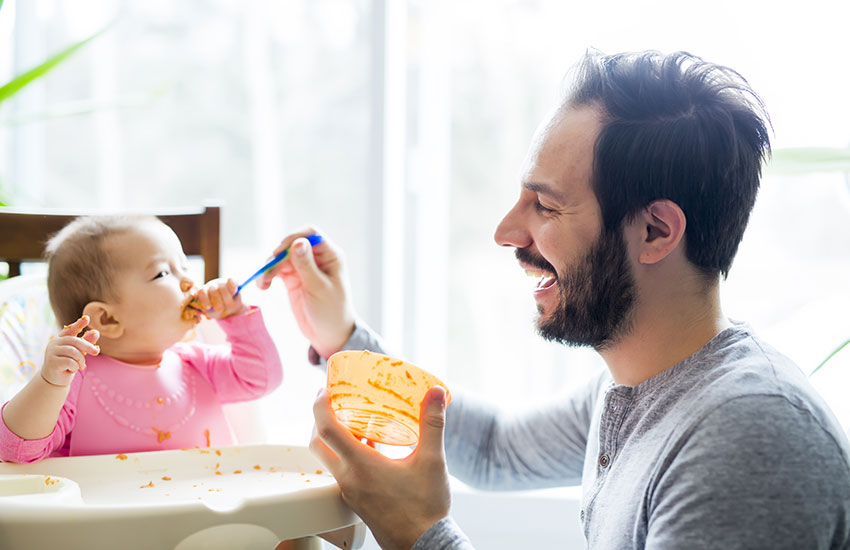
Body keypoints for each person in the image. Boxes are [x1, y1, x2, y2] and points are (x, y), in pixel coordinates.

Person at [261, 50, 850, 549]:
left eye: (545, 207)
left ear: (655, 232)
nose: (505, 234)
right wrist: (341, 336)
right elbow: (495, 450)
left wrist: (420, 532)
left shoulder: (750, 438)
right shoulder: (637, 383)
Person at [0, 215, 283, 462]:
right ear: (108, 319)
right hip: (105, 519)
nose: (189, 281)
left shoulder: (197, 364)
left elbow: (260, 379)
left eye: (184, 266)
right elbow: (18, 450)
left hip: (204, 514)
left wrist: (236, 317)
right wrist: (50, 383)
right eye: (163, 273)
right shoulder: (72, 382)